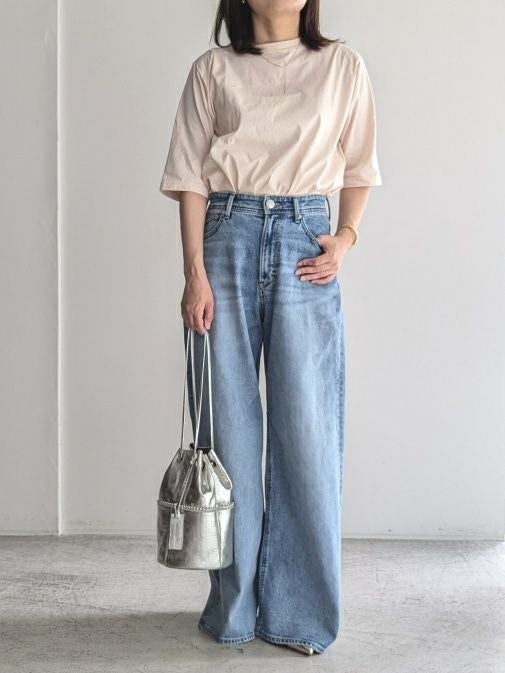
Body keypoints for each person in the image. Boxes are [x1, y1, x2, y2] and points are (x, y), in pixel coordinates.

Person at [158, 0, 382, 656]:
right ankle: (233, 607)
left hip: (305, 245)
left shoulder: (341, 65)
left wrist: (344, 238)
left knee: (307, 431)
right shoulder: (213, 70)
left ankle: (301, 614)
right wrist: (193, 272)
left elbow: (360, 166)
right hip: (225, 238)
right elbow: (190, 177)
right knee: (227, 433)